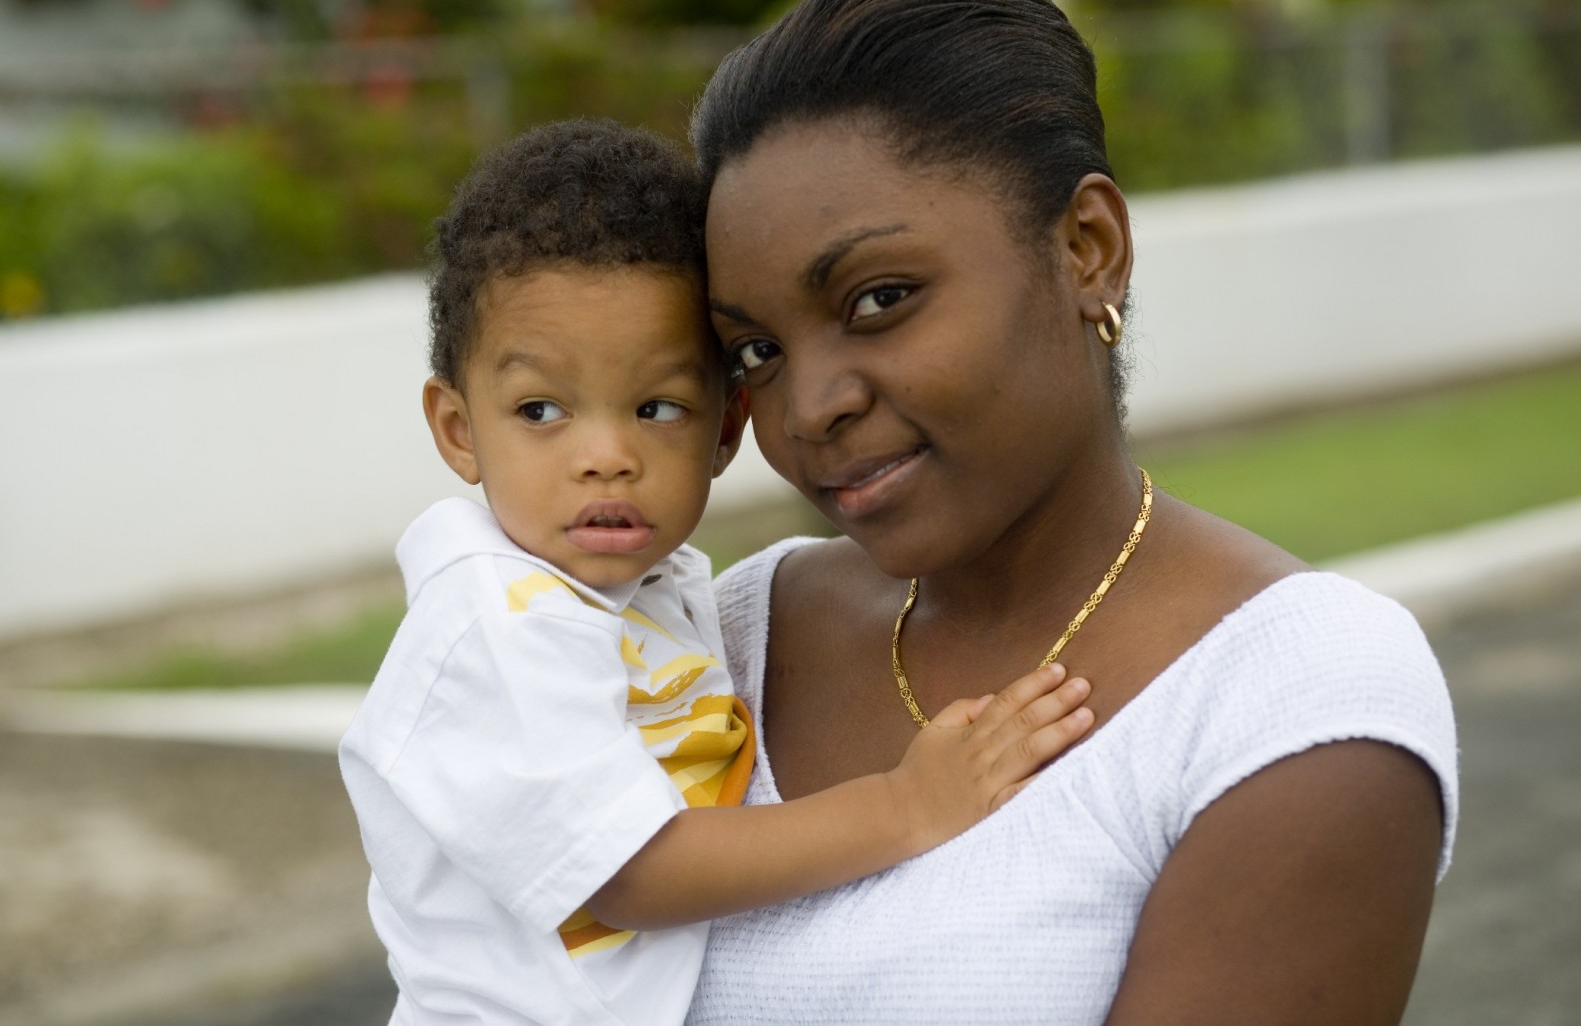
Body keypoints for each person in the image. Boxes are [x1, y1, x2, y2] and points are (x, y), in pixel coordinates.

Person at [685, 0, 1459, 1023]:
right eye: (756, 348)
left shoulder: (1291, 699)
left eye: (879, 298)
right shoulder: (723, 638)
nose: (806, 406)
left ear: (1087, 248)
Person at [337, 118, 1095, 1026]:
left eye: (657, 406)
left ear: (726, 429)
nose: (606, 455)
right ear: (459, 430)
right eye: (541, 409)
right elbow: (635, 873)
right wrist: (905, 805)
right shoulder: (496, 623)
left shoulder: (650, 594)